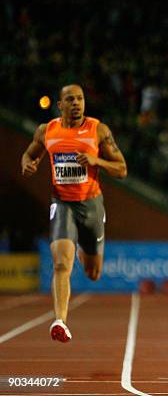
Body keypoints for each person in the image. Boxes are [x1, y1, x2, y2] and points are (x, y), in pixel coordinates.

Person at [21, 84, 127, 342]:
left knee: (93, 272)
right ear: (60, 105)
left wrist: (97, 161)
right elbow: (28, 154)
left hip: (91, 205)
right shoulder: (47, 131)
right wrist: (27, 163)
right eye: (71, 99)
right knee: (60, 264)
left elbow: (122, 169)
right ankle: (60, 321)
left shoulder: (98, 130)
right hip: (62, 204)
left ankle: (83, 247)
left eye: (80, 98)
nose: (77, 103)